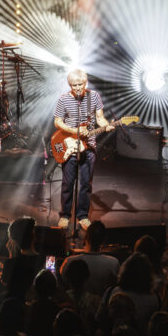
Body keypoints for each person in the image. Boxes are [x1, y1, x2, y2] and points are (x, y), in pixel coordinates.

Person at [53, 68, 113, 231]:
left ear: (85, 83)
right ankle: (65, 215)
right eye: (73, 85)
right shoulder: (64, 99)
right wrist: (73, 131)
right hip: (69, 145)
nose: (77, 88)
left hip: (89, 144)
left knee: (86, 183)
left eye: (79, 84)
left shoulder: (93, 97)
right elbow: (57, 122)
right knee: (67, 183)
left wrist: (107, 126)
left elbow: (100, 118)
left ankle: (83, 216)